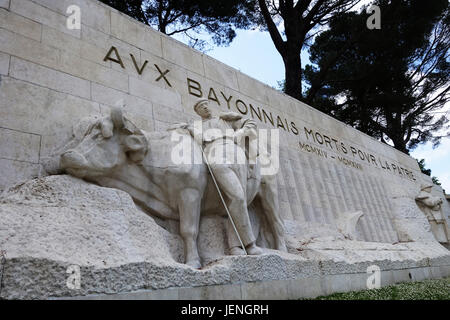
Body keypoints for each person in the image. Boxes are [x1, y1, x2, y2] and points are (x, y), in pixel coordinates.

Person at [188, 98, 263, 255]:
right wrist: (193, 132)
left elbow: (251, 123)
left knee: (239, 199)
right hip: (215, 153)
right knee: (237, 197)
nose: (205, 108)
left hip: (236, 152)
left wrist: (241, 131)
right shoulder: (197, 127)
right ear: (198, 112)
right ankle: (249, 243)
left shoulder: (225, 119)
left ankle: (236, 246)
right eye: (201, 107)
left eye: (206, 105)